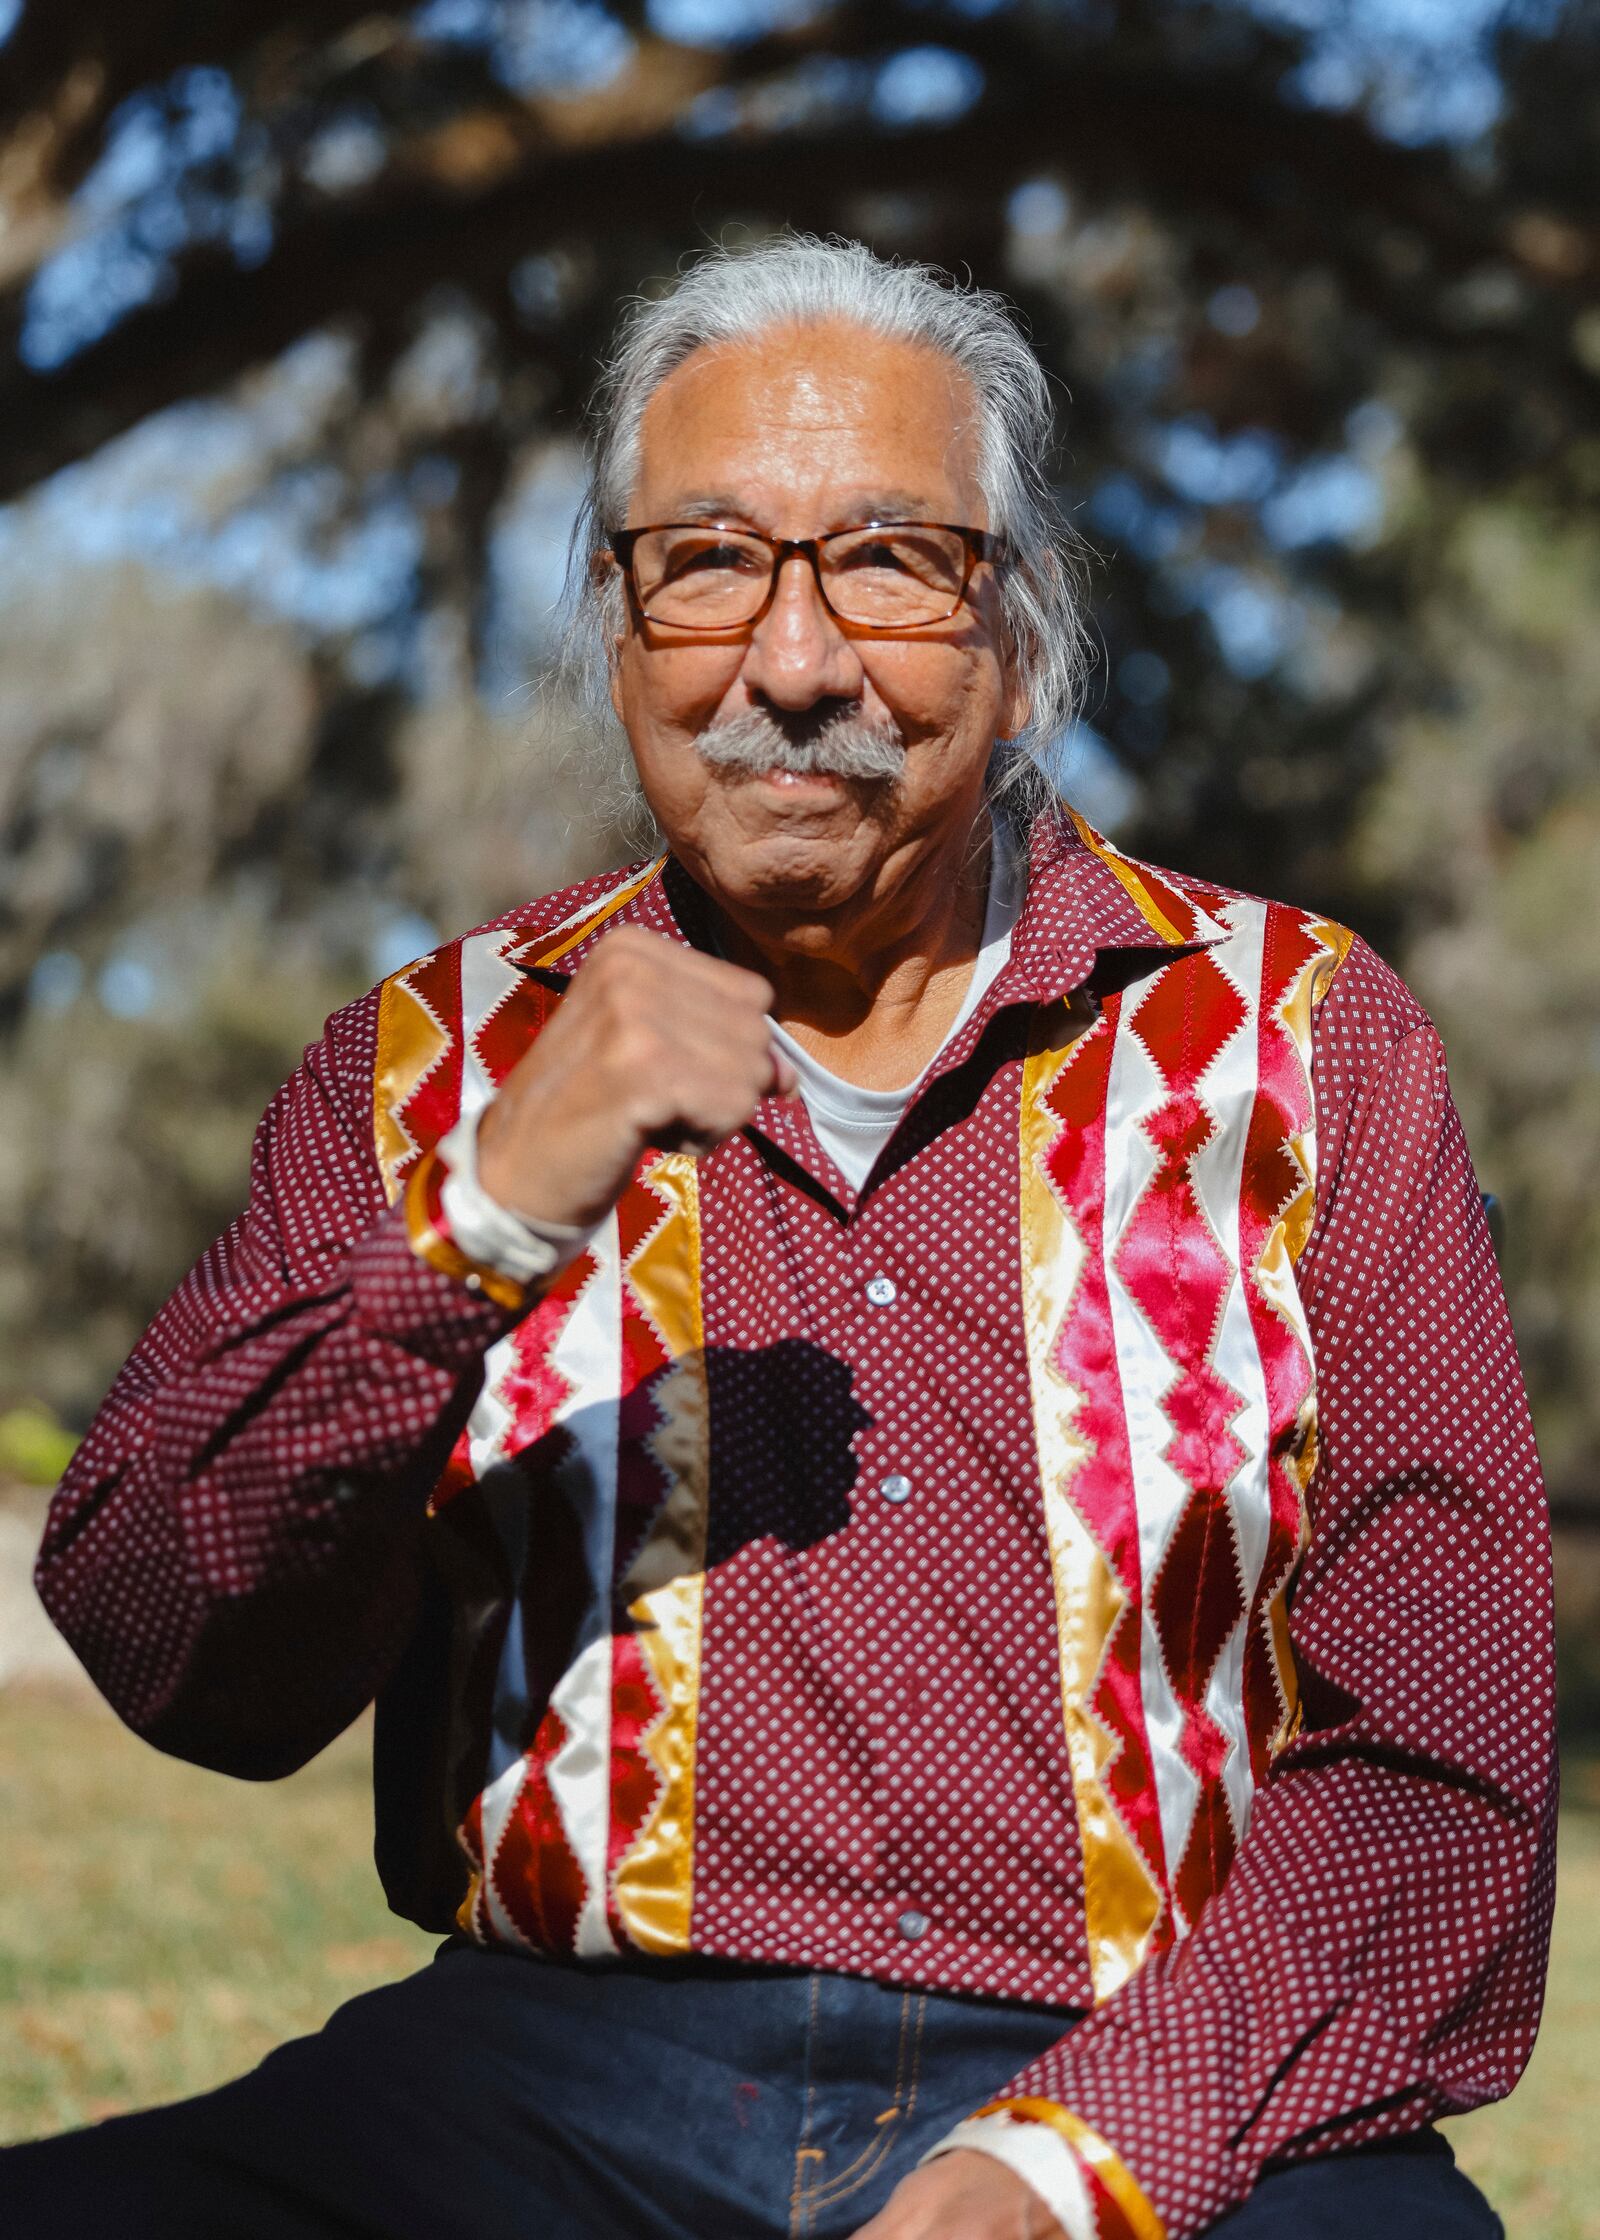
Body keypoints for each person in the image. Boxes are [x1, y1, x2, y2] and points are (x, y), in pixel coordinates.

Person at [6, 237, 1554, 2240]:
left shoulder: (1305, 1043)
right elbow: (167, 1636)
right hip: (543, 2086)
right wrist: (485, 1215)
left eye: (889, 562)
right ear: (615, 617)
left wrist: (1068, 2158)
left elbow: (1442, 1768)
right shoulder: (432, 1060)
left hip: (1158, 2089)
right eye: (709, 562)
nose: (795, 662)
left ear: (1012, 631)